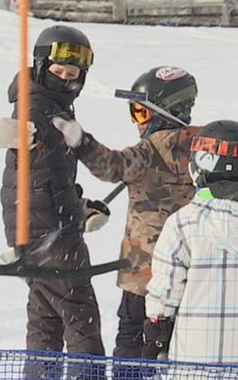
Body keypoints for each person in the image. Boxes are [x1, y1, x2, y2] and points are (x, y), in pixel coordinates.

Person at [50, 66, 200, 373]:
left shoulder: (148, 150)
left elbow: (111, 166)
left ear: (165, 110)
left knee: (132, 341)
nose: (136, 122)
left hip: (143, 273)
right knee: (178, 341)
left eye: (141, 113)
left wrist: (81, 142)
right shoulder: (206, 149)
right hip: (191, 271)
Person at [0, 25, 105, 367]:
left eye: (73, 74)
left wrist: (79, 205)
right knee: (80, 316)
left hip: (34, 231)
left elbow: (51, 179)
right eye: (57, 72)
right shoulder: (40, 110)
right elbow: (40, 176)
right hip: (52, 237)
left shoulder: (46, 105)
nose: (65, 79)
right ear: (41, 67)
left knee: (46, 317)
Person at [144, 120, 238, 365]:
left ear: (198, 166)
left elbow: (164, 292)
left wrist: (157, 334)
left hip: (192, 363)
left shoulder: (184, 223)